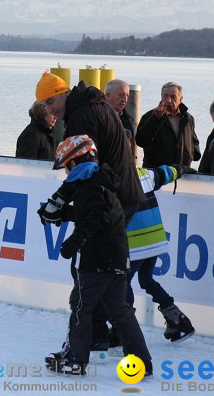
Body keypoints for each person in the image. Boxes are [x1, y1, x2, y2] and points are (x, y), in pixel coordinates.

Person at [40, 135, 152, 376]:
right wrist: (64, 215)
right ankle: (142, 363)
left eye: (68, 166)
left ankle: (75, 360)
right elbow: (98, 213)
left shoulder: (87, 187)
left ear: (75, 162)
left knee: (81, 306)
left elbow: (97, 217)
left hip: (97, 258)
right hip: (117, 256)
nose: (66, 172)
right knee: (119, 311)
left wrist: (74, 240)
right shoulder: (100, 181)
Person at [36, 71, 143, 210]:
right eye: (44, 106)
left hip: (115, 199)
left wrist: (58, 200)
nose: (49, 110)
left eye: (50, 102)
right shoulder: (93, 104)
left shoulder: (82, 116)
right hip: (125, 193)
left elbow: (84, 167)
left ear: (65, 93)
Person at [124, 162, 194, 342]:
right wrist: (183, 169)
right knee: (146, 280)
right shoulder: (145, 175)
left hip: (135, 243)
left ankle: (123, 328)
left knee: (122, 282)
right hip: (155, 240)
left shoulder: (117, 181)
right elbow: (168, 172)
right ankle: (178, 321)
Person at [135, 82, 201, 173]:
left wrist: (193, 154)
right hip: (157, 173)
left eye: (173, 97)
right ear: (161, 96)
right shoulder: (150, 116)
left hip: (182, 172)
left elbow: (193, 141)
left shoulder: (188, 118)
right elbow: (141, 141)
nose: (169, 100)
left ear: (180, 99)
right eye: (165, 96)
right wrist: (156, 118)